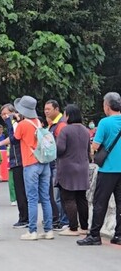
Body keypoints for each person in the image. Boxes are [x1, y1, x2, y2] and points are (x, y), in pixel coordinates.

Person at [78, 92, 121, 246]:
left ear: (107, 106)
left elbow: (95, 146)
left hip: (108, 170)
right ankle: (119, 235)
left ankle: (94, 235)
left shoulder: (105, 123)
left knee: (100, 202)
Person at [14, 96, 53, 240]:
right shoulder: (38, 122)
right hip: (44, 163)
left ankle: (32, 231)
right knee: (45, 197)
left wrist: (16, 121)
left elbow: (15, 138)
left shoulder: (23, 124)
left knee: (32, 198)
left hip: (30, 164)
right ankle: (48, 230)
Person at [55, 104, 90, 236]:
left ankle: (73, 227)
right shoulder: (86, 130)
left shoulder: (65, 130)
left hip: (68, 168)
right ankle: (84, 227)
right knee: (81, 198)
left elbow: (60, 149)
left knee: (69, 198)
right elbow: (88, 151)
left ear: (68, 115)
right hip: (83, 167)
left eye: (65, 114)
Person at [0, 103, 28, 228]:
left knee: (20, 190)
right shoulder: (14, 124)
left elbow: (14, 138)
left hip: (19, 160)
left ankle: (24, 218)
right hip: (17, 159)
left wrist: (0, 144)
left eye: (7, 113)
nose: (5, 116)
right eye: (3, 114)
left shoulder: (16, 124)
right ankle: (25, 217)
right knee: (21, 190)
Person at [44, 99, 69, 230]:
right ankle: (59, 219)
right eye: (45, 109)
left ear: (56, 109)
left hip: (58, 163)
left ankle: (63, 220)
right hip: (52, 163)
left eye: (49, 109)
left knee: (59, 194)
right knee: (54, 194)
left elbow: (61, 146)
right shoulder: (52, 125)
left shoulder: (61, 125)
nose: (46, 111)